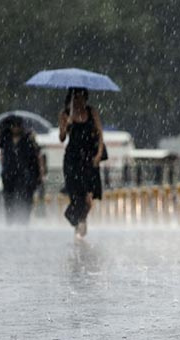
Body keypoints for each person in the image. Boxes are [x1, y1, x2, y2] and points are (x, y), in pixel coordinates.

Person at [58, 87, 104, 238]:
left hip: (89, 159)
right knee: (76, 194)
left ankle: (78, 218)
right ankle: (78, 223)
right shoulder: (65, 114)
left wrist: (98, 155)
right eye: (75, 98)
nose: (79, 101)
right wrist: (68, 123)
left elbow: (99, 134)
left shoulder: (92, 112)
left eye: (82, 97)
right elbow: (62, 138)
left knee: (89, 198)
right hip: (72, 159)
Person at [0, 116, 43, 226]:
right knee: (9, 197)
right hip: (9, 173)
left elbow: (38, 155)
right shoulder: (5, 138)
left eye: (18, 125)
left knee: (26, 197)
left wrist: (40, 173)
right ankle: (10, 220)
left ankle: (24, 220)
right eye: (13, 126)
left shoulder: (28, 139)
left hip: (25, 173)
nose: (16, 128)